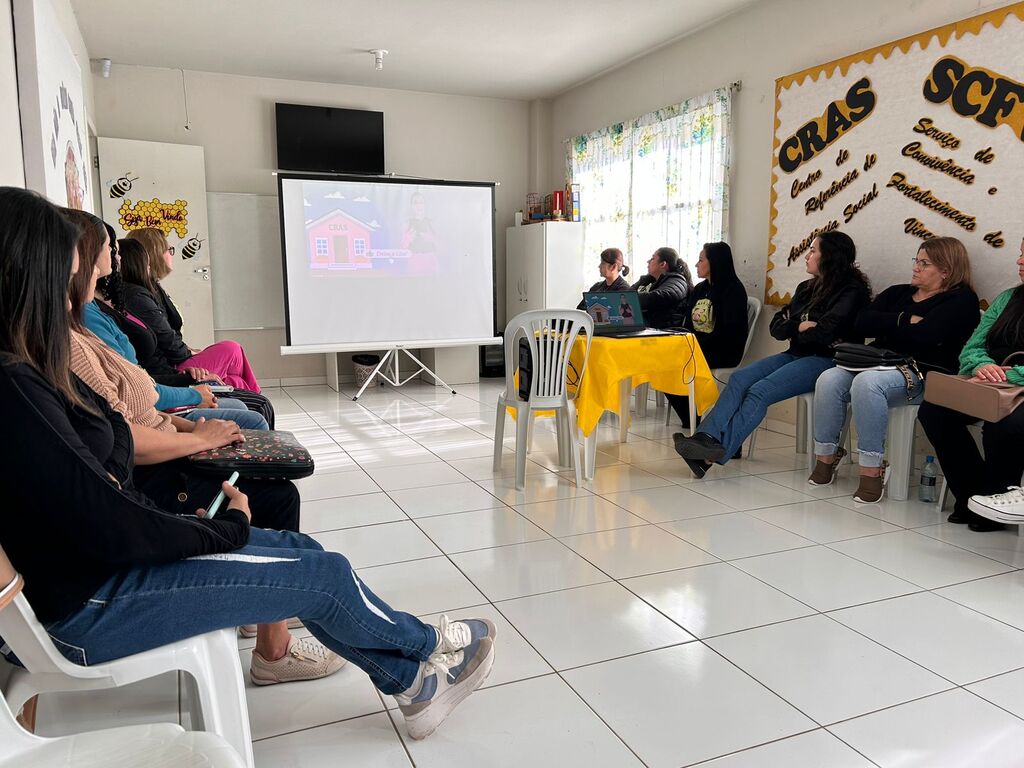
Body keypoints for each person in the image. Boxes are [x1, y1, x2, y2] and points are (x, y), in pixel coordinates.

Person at [0, 186, 495, 739]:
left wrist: (191, 496)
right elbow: (111, 518)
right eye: (70, 269)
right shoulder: (16, 387)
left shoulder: (29, 369)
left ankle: (412, 684)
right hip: (90, 603)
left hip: (101, 575)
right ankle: (424, 649)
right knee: (323, 575)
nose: (86, 285)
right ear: (33, 277)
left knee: (305, 552)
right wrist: (227, 528)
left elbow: (109, 453)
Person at [673, 231, 871, 478]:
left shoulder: (852, 291)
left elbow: (825, 333)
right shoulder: (805, 288)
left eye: (813, 251)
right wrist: (799, 326)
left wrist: (797, 326)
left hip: (828, 360)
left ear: (830, 256)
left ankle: (709, 454)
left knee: (760, 391)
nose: (807, 256)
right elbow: (777, 327)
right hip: (795, 353)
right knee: (739, 379)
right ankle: (706, 437)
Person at [61, 210, 268, 431]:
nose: (117, 257)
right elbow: (133, 399)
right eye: (111, 248)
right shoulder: (114, 305)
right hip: (165, 384)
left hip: (162, 390)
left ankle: (249, 393)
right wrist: (191, 402)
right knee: (235, 362)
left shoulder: (105, 304)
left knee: (237, 387)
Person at [809, 237, 979, 503]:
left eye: (924, 263)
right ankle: (826, 457)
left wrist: (888, 326)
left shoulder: (961, 299)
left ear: (946, 271)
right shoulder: (898, 293)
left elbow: (929, 335)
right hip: (876, 362)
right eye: (916, 260)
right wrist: (903, 319)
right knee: (829, 379)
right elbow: (861, 322)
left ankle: (871, 470)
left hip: (921, 373)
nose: (916, 268)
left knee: (867, 384)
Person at [98, 236, 276, 427]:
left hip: (163, 379)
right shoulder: (132, 297)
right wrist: (187, 376)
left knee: (235, 380)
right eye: (112, 252)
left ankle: (247, 392)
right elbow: (140, 378)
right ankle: (253, 394)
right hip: (167, 378)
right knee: (234, 355)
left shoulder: (130, 296)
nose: (117, 259)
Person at [918, 239, 1024, 532]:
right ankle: (971, 495)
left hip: (1013, 386)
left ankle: (995, 503)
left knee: (1005, 423)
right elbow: (971, 347)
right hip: (990, 380)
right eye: (1020, 254)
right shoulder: (1007, 299)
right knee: (934, 411)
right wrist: (982, 365)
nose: (1019, 262)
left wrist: (1009, 375)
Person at [122, 227, 262, 392]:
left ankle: (252, 397)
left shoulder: (149, 288)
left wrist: (188, 349)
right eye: (169, 250)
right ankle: (256, 396)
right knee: (231, 349)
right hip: (171, 367)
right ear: (152, 255)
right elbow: (166, 339)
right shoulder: (138, 296)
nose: (171, 254)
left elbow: (166, 333)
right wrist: (188, 352)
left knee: (234, 378)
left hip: (173, 359)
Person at [664, 242, 749, 428]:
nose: (696, 264)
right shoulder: (701, 289)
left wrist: (695, 345)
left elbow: (730, 331)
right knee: (660, 363)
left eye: (701, 260)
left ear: (715, 263)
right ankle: (691, 417)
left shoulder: (732, 290)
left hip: (724, 349)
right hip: (698, 346)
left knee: (672, 362)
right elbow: (688, 323)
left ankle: (700, 418)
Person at [631, 246, 691, 328]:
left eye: (652, 258)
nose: (648, 261)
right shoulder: (647, 280)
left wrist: (630, 299)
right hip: (646, 330)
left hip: (665, 333)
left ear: (663, 264)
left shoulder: (677, 280)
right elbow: (626, 293)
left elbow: (663, 295)